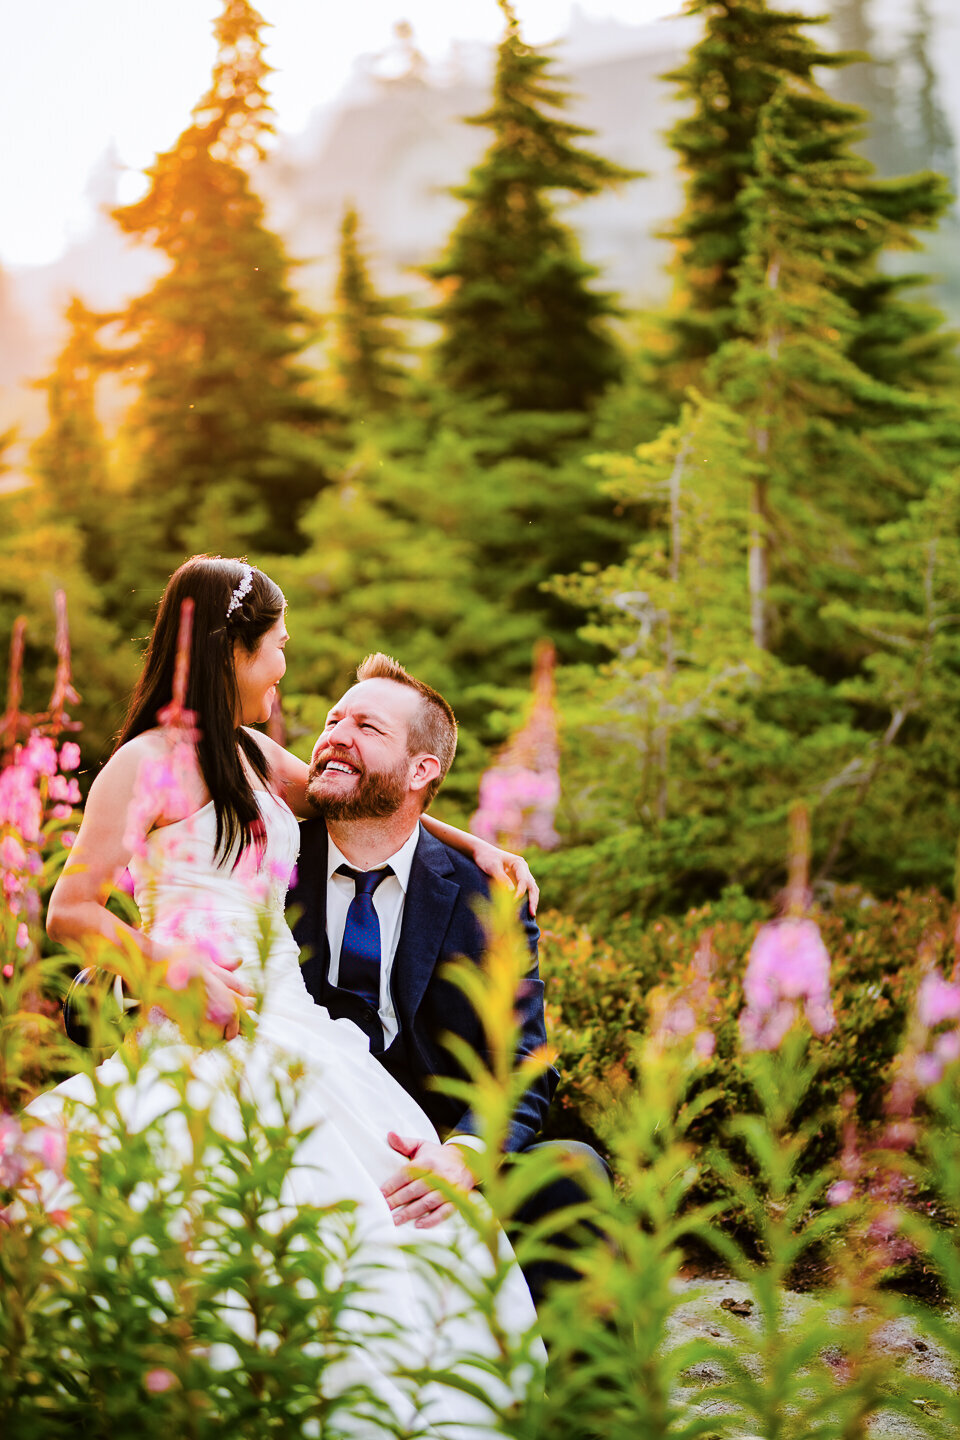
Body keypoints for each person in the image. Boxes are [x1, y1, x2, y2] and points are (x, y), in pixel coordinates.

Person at [29, 554, 543, 1432]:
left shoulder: (255, 756)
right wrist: (167, 968)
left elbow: (367, 802)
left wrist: (477, 846)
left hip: (293, 1028)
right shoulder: (144, 763)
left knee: (393, 1217)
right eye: (277, 646)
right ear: (234, 650)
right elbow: (70, 909)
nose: (285, 665)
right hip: (195, 1034)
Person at [288, 654, 609, 1302]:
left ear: (422, 770)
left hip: (431, 1151)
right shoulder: (262, 863)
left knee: (573, 1172)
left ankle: (588, 1405)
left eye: (367, 728)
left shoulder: (487, 894)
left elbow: (525, 1059)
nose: (336, 736)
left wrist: (464, 1153)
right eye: (332, 720)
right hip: (298, 1148)